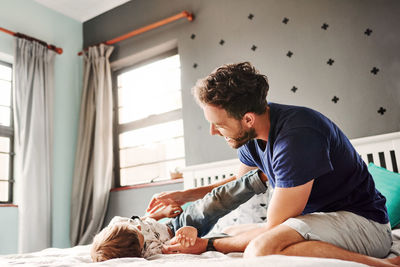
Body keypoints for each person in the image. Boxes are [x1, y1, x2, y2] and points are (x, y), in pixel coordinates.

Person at [148, 62, 400, 267]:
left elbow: (271, 228)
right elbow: (236, 187)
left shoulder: (297, 136)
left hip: (365, 225)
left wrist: (208, 244)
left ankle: (387, 265)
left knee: (260, 248)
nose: (213, 131)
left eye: (220, 124)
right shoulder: (249, 135)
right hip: (319, 220)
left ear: (247, 118)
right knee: (235, 231)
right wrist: (185, 195)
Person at [91, 169, 268, 261]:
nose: (140, 227)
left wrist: (162, 213)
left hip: (175, 223)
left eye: (135, 227)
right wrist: (188, 233)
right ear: (139, 250)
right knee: (225, 239)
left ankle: (255, 179)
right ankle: (270, 232)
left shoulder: (120, 224)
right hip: (180, 234)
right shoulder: (144, 251)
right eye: (140, 234)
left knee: (212, 202)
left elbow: (146, 219)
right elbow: (175, 248)